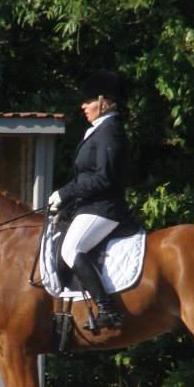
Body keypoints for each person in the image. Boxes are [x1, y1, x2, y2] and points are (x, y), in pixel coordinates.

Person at [48, 69, 132, 330]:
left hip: (104, 208)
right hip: (90, 206)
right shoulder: (99, 130)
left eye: (88, 101)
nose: (83, 106)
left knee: (72, 249)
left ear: (104, 101)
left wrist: (65, 192)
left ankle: (108, 309)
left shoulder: (110, 132)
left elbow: (103, 178)